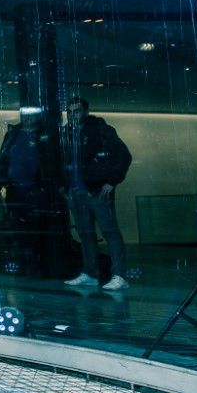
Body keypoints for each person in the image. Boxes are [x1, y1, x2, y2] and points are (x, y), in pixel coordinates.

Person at [62, 96, 133, 293]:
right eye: (70, 111)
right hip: (77, 190)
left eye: (76, 111)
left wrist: (111, 181)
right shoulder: (67, 133)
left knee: (109, 232)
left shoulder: (101, 130)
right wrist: (65, 186)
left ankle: (119, 275)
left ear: (85, 111)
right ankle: (91, 273)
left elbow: (123, 155)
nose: (73, 115)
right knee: (86, 234)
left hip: (95, 189)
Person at [0, 106, 61, 278]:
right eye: (26, 116)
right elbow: (3, 158)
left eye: (32, 116)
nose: (29, 119)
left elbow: (53, 161)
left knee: (37, 229)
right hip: (16, 189)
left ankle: (39, 266)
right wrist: (0, 182)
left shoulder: (43, 135)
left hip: (37, 189)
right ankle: (28, 266)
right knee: (20, 230)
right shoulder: (13, 134)